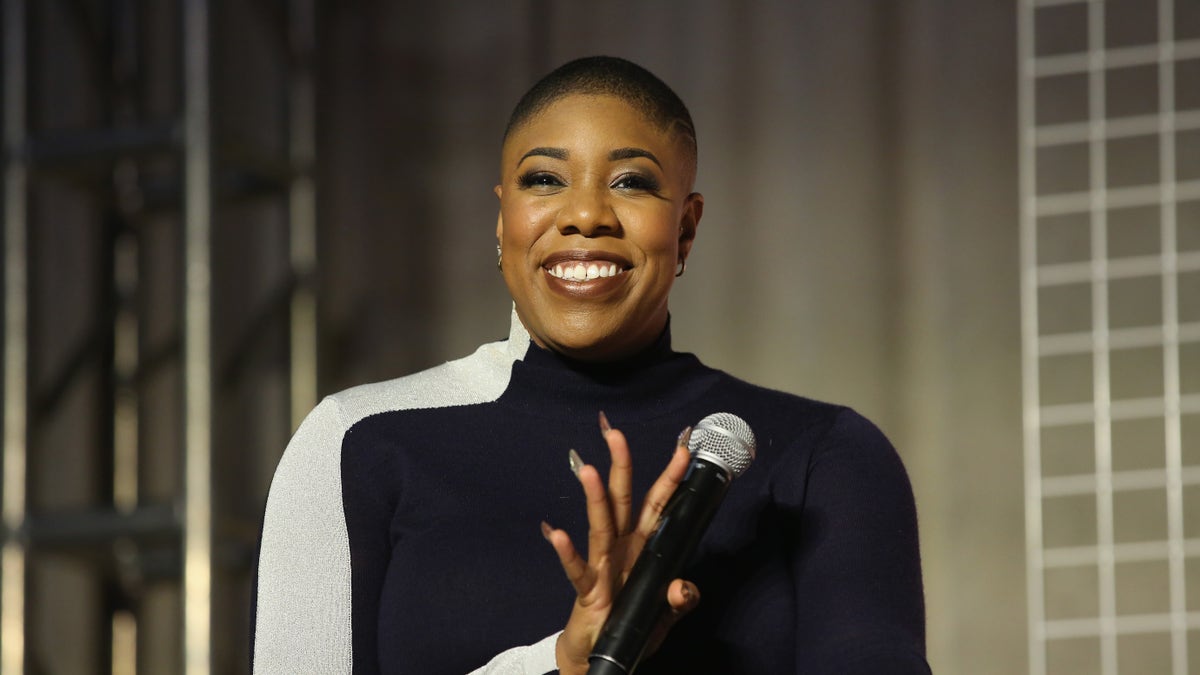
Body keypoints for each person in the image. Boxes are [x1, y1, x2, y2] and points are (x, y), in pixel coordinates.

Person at [251, 56, 930, 674]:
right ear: (502, 221)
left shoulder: (824, 458)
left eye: (631, 182)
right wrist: (559, 662)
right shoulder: (355, 442)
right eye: (544, 179)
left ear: (686, 229)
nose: (584, 214)